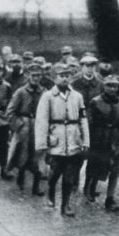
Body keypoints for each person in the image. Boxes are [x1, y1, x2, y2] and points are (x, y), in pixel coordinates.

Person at [35, 63, 89, 217]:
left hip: (73, 141)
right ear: (54, 78)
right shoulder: (47, 96)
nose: (65, 78)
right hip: (56, 141)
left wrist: (86, 141)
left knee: (70, 175)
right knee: (55, 172)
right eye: (61, 75)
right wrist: (42, 145)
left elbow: (83, 119)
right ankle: (51, 190)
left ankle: (65, 205)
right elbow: (41, 121)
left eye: (68, 75)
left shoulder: (77, 96)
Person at [86, 75, 119, 211]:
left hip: (116, 138)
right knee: (98, 166)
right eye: (109, 85)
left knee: (115, 169)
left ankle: (109, 198)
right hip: (99, 138)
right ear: (104, 86)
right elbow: (89, 123)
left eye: (114, 86)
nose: (112, 88)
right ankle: (90, 187)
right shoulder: (95, 102)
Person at [6, 63, 46, 195]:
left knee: (38, 156)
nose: (36, 78)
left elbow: (48, 111)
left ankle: (36, 186)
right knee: (22, 154)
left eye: (38, 75)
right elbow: (10, 112)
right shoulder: (21, 92)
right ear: (28, 76)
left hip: (39, 127)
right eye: (33, 75)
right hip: (24, 127)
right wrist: (18, 126)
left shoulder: (44, 92)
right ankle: (21, 177)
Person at [72, 54, 103, 197]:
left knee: (94, 158)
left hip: (96, 127)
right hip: (79, 125)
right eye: (87, 66)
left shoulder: (101, 84)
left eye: (92, 66)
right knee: (77, 156)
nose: (90, 69)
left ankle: (89, 187)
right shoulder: (74, 84)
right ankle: (74, 182)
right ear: (81, 67)